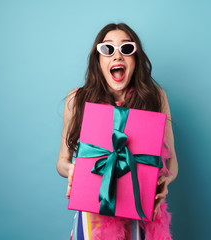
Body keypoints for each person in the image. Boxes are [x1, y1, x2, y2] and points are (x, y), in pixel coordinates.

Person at [56, 23, 178, 240]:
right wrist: (72, 170)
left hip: (140, 213)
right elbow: (62, 162)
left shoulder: (156, 98)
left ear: (136, 58)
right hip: (94, 216)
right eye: (108, 49)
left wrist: (165, 182)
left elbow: (172, 164)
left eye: (126, 49)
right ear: (98, 60)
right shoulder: (77, 100)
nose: (117, 56)